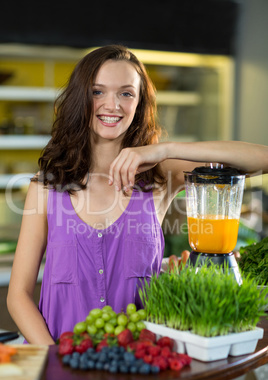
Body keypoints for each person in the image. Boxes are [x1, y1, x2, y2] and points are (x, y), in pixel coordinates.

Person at [7, 44, 268, 345]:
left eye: (126, 93)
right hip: (61, 370)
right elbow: (18, 296)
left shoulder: (161, 174)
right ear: (81, 98)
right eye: (98, 92)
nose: (112, 105)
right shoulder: (45, 187)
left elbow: (260, 160)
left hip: (140, 367)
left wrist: (166, 149)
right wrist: (54, 359)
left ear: (139, 103)